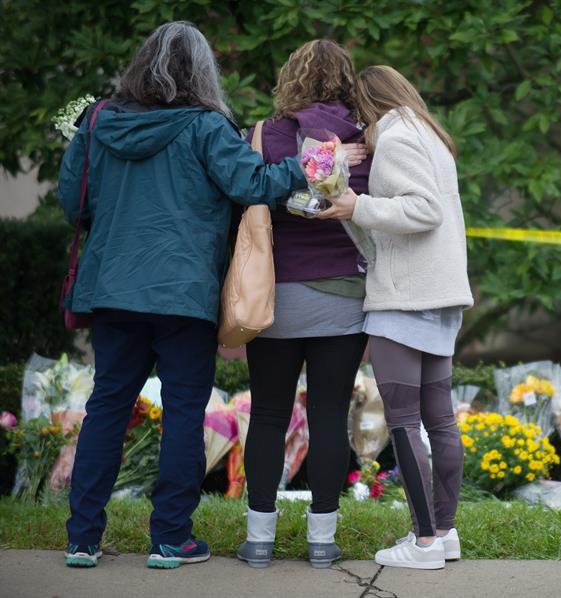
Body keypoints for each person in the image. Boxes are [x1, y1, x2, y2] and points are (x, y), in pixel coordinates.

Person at [58, 21, 307, 570]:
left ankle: (82, 539)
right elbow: (254, 185)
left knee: (106, 408)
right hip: (184, 295)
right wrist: (307, 166)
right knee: (184, 414)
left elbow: (72, 202)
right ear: (202, 72)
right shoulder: (206, 127)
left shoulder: (97, 123)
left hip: (113, 289)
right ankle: (171, 538)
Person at [319, 65, 473, 570]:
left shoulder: (397, 137)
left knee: (404, 423)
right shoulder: (428, 133)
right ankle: (444, 533)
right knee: (440, 421)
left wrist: (357, 206)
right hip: (439, 293)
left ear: (368, 102)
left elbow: (422, 211)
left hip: (406, 298)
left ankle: (424, 541)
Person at [236, 39, 371, 570]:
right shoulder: (365, 138)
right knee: (329, 416)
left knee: (269, 415)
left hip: (275, 294)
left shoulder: (262, 135)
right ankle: (322, 540)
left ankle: (259, 539)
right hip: (345, 297)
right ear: (347, 80)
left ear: (290, 78)